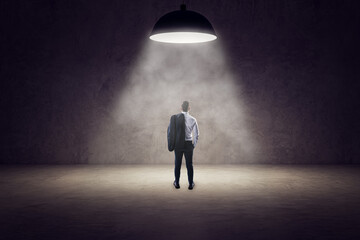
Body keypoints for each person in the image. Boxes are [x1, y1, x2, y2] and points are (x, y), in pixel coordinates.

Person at [168, 101, 199, 190]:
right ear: (189, 108)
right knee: (189, 165)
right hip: (188, 144)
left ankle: (177, 183)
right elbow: (196, 134)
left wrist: (172, 143)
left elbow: (171, 132)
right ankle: (190, 184)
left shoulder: (175, 118)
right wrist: (194, 145)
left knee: (177, 164)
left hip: (178, 144)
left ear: (181, 108)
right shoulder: (193, 119)